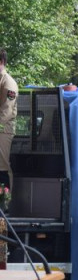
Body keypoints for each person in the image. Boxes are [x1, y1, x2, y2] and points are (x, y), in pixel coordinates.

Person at [0, 48, 17, 191]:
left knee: (2, 165)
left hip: (3, 130)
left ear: (1, 62)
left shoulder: (8, 83)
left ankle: (4, 203)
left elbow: (6, 111)